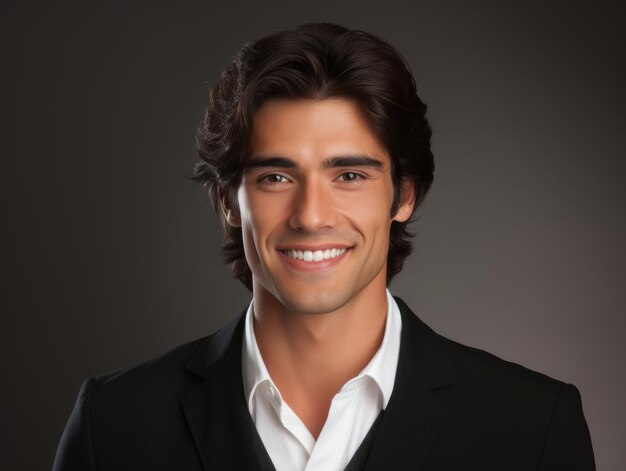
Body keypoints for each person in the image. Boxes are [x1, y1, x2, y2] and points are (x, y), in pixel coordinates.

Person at [53, 23, 595, 470]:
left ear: (403, 194)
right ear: (226, 202)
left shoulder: (533, 428)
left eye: (350, 176)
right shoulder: (114, 423)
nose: (311, 216)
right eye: (275, 178)